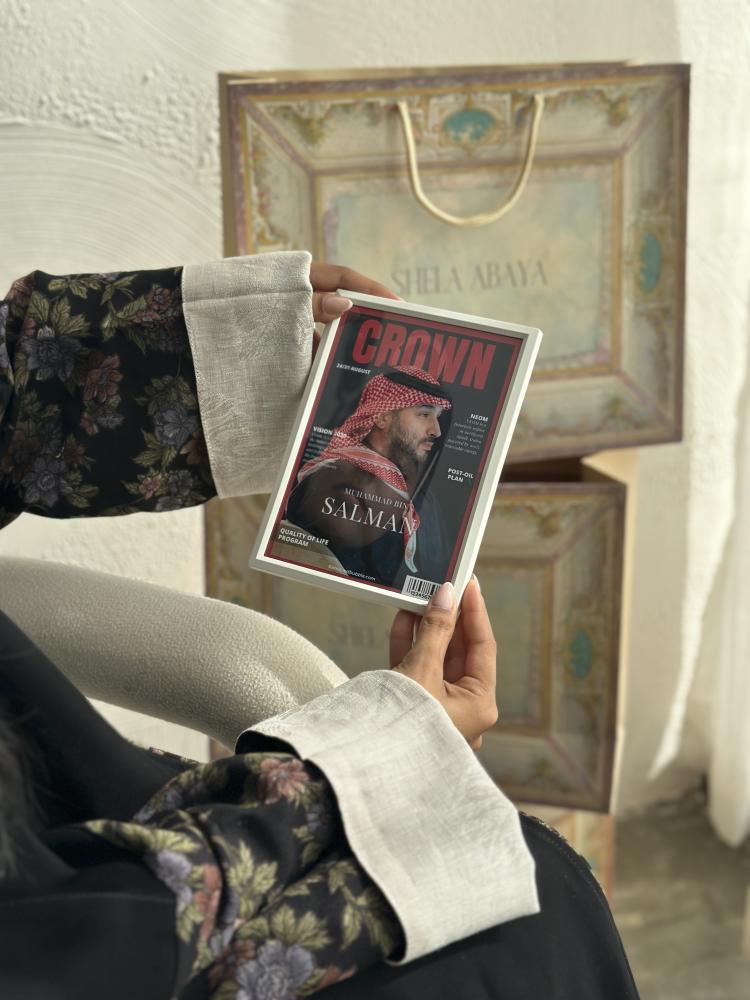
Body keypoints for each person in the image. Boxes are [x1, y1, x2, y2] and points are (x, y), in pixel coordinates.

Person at [0, 253, 639, 999]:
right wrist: (385, 756)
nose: (438, 429)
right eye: (425, 413)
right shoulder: (346, 488)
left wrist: (219, 354)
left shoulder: (388, 494)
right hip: (93, 925)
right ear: (384, 413)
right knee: (524, 913)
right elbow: (102, 948)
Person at [284, 366, 452, 586]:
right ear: (382, 417)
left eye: (437, 418)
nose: (436, 431)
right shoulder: (337, 474)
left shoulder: (421, 498)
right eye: (424, 415)